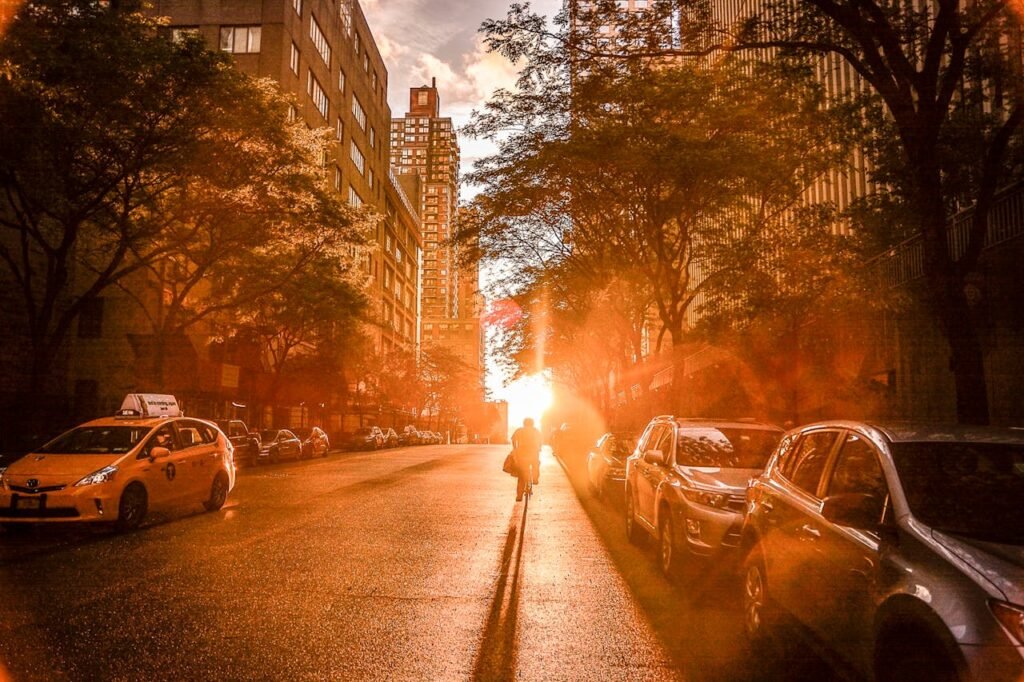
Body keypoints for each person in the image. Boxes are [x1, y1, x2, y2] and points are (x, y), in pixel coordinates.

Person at [511, 417, 542, 501]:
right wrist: (539, 448)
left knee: (521, 475)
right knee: (536, 463)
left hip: (522, 453)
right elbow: (540, 440)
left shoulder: (519, 430)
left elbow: (513, 439)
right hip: (533, 452)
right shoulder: (535, 430)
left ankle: (519, 496)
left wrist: (515, 448)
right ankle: (535, 478)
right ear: (532, 423)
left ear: (524, 423)